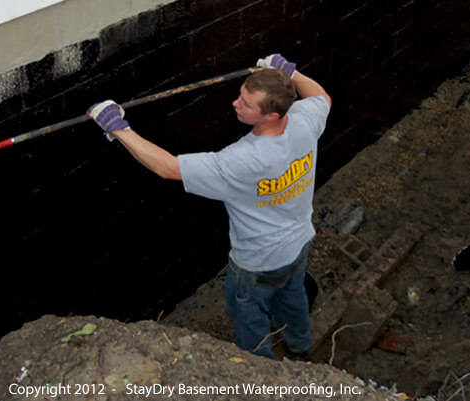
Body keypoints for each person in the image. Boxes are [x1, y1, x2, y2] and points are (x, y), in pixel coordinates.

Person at [88, 54, 331, 359]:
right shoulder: (304, 122)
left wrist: (117, 127)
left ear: (270, 115)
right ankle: (301, 348)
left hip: (257, 262)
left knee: (249, 319)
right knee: (293, 298)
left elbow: (168, 168)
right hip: (298, 244)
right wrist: (288, 71)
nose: (235, 104)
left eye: (246, 103)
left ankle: (261, 373)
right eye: (240, 95)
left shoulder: (242, 160)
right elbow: (322, 96)